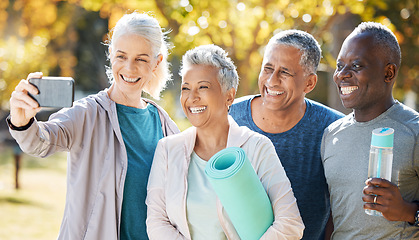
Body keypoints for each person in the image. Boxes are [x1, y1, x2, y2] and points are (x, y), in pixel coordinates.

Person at [7, 12, 179, 240]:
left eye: (141, 59)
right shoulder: (87, 113)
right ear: (110, 54)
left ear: (156, 62)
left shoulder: (164, 124)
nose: (129, 68)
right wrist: (22, 120)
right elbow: (40, 142)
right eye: (121, 56)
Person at [146, 44, 304, 239]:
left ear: (229, 96)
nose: (192, 97)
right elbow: (156, 221)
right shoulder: (168, 150)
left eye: (203, 87)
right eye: (186, 88)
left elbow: (290, 223)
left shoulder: (257, 147)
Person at [229, 30, 344, 239]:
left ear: (309, 83)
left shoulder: (334, 128)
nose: (272, 81)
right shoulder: (229, 117)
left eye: (285, 72)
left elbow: (340, 208)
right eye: (268, 68)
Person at [321, 22, 419, 239]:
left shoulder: (414, 132)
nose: (342, 75)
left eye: (356, 66)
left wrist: (407, 211)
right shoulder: (331, 135)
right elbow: (333, 216)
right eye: (339, 66)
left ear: (388, 73)